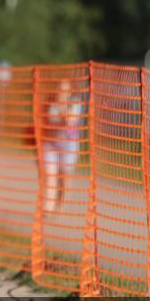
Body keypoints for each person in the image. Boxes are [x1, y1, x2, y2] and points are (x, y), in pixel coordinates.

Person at [41, 79, 85, 213]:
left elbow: (69, 120)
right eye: (59, 88)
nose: (61, 92)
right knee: (51, 175)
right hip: (52, 143)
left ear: (69, 91)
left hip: (69, 145)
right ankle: (48, 207)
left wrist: (63, 109)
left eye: (64, 89)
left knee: (64, 178)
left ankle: (61, 204)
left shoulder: (75, 103)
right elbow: (49, 121)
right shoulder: (51, 104)